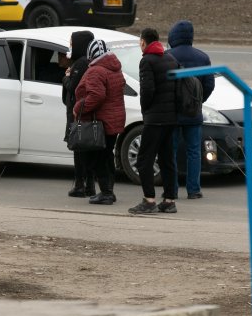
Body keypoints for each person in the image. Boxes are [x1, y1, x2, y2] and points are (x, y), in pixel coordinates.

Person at [128, 28, 179, 214]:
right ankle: (169, 199)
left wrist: (145, 110)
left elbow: (147, 91)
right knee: (167, 159)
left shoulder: (147, 61)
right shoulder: (171, 59)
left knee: (143, 160)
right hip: (170, 118)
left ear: (143, 42)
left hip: (155, 118)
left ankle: (149, 200)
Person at [73, 39, 126, 205]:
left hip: (101, 121)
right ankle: (109, 189)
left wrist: (79, 107)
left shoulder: (96, 71)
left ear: (91, 55)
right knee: (107, 155)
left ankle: (106, 192)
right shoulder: (114, 68)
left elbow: (97, 95)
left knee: (98, 158)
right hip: (114, 120)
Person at [166, 20, 215, 199]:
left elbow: (163, 85)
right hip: (193, 112)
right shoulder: (202, 57)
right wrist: (198, 102)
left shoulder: (167, 55)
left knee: (170, 151)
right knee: (194, 151)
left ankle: (172, 189)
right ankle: (193, 189)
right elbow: (209, 84)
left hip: (172, 113)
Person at [62, 30, 96, 198]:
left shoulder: (81, 64)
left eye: (72, 43)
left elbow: (73, 87)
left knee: (79, 150)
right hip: (82, 112)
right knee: (86, 150)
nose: (70, 47)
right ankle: (88, 185)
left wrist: (66, 76)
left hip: (78, 113)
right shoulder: (87, 61)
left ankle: (80, 185)